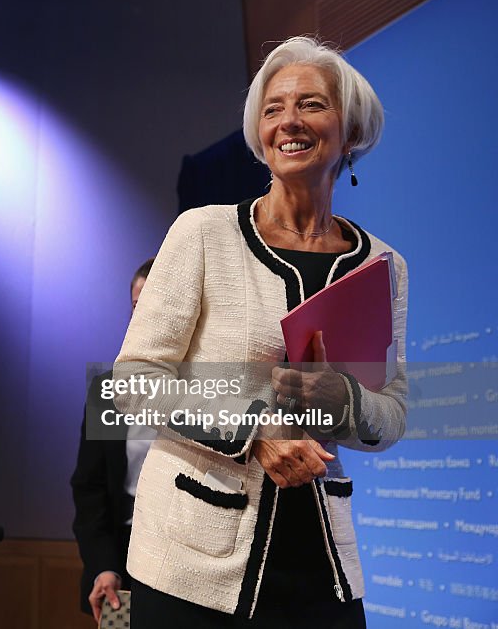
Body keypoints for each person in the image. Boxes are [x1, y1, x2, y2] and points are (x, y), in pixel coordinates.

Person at [114, 36, 407, 627]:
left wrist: (340, 399)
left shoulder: (383, 265)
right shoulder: (202, 234)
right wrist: (255, 427)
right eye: (273, 108)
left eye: (312, 104)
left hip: (322, 560)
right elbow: (131, 385)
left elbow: (393, 413)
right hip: (190, 566)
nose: (289, 121)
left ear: (349, 133)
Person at [71, 258, 156, 621]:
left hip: (187, 557)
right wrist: (103, 565)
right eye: (137, 307)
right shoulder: (108, 391)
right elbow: (89, 488)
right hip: (121, 556)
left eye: (154, 306)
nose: (143, 317)